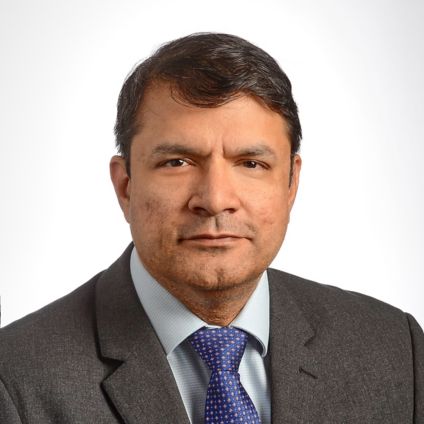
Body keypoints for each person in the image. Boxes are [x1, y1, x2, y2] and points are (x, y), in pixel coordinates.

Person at [0, 33, 422, 424]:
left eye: (251, 163)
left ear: (291, 184)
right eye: (177, 162)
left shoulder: (396, 350)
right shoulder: (15, 379)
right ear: (125, 186)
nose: (216, 199)